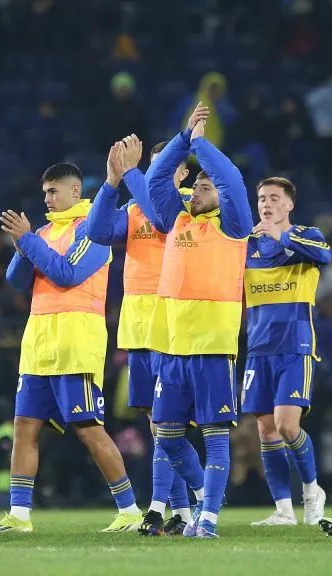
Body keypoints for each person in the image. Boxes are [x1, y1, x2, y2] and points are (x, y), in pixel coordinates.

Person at [0, 161, 141, 534]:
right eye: (45, 192)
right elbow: (15, 279)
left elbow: (66, 274)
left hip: (76, 341)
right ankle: (19, 515)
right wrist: (22, 245)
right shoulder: (42, 231)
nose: (47, 198)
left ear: (75, 190)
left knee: (88, 428)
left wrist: (28, 242)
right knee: (25, 425)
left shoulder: (93, 229)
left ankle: (129, 510)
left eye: (53, 191)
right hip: (38, 341)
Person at [140, 103, 252, 538]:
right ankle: (205, 497)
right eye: (195, 186)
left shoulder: (234, 226)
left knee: (214, 434)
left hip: (211, 345)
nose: (197, 192)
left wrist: (201, 146)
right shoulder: (178, 219)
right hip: (171, 345)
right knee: (166, 436)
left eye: (205, 187)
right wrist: (184, 139)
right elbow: (154, 179)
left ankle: (208, 520)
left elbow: (231, 179)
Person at [86, 138, 202, 536]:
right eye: (151, 168)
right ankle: (183, 512)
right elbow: (97, 231)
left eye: (163, 168)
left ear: (182, 173)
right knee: (158, 426)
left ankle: (183, 503)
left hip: (171, 321)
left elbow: (163, 218)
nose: (155, 176)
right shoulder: (134, 206)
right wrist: (111, 182)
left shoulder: (187, 204)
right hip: (137, 326)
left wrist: (134, 174)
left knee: (169, 423)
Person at [243, 176, 329, 526]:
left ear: (290, 204)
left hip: (295, 345)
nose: (267, 203)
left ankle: (312, 491)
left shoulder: (308, 235)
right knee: (266, 430)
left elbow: (325, 255)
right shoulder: (247, 245)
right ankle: (283, 510)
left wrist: (279, 236)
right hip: (258, 347)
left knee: (287, 425)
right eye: (262, 198)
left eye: (275, 198)